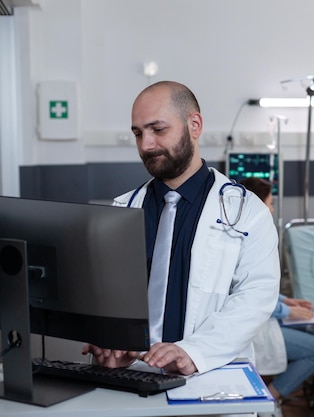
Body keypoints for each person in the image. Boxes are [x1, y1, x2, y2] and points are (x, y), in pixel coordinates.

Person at [82, 81, 280, 375]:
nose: (146, 145)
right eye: (138, 133)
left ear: (195, 125)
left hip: (210, 373)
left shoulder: (247, 213)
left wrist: (194, 352)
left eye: (158, 129)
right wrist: (111, 343)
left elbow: (255, 297)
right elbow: (106, 299)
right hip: (133, 373)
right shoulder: (121, 211)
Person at [239, 177, 314, 403]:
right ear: (256, 204)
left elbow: (257, 285)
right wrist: (287, 312)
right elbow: (246, 295)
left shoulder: (252, 235)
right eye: (270, 203)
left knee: (309, 332)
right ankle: (270, 398)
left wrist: (287, 301)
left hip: (262, 317)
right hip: (250, 327)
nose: (272, 208)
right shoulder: (242, 241)